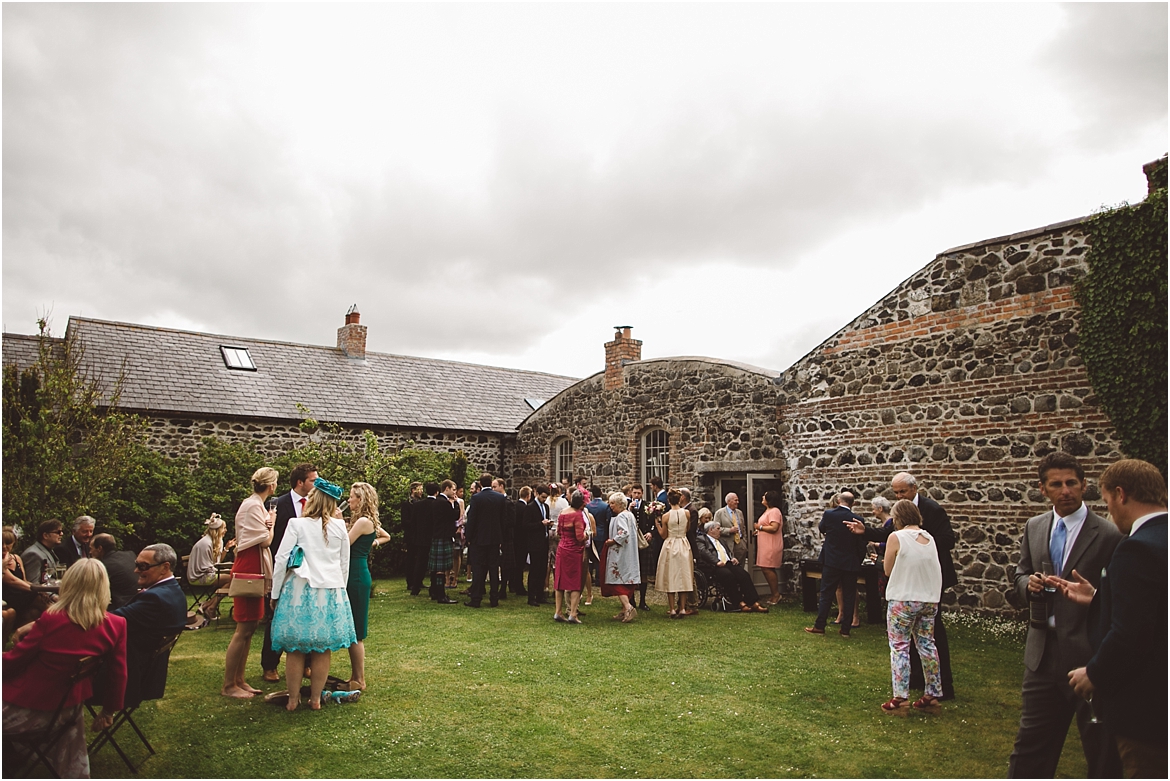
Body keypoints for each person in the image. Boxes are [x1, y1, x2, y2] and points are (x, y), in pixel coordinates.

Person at [1007, 452, 1123, 778]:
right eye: (1056, 484)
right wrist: (1025, 584)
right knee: (1030, 748)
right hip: (1042, 655)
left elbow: (1120, 600)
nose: (1065, 490)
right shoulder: (1035, 527)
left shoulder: (1109, 535)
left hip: (1089, 657)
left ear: (1084, 485)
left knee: (1101, 751)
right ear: (1043, 489)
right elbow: (1019, 574)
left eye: (1072, 482)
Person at [1060, 459, 1167, 779]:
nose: (1109, 512)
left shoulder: (1137, 548)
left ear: (1120, 494)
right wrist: (1098, 598)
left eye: (1106, 502)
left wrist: (1094, 673)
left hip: (1148, 707)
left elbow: (1131, 633)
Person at [3, 559, 127, 779]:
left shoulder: (52, 619)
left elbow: (12, 663)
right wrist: (108, 711)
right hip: (68, 709)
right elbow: (118, 674)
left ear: (69, 584)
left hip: (28, 711)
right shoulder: (116, 624)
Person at [854, 472, 958, 698]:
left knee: (929, 637)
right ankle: (919, 681)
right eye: (896, 492)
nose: (900, 495)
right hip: (913, 583)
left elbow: (948, 540)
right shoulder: (900, 522)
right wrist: (866, 532)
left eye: (903, 491)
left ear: (914, 488)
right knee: (920, 639)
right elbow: (887, 532)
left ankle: (942, 686)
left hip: (927, 579)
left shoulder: (932, 511)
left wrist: (917, 543)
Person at [269, 477, 359, 710]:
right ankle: (316, 699)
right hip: (330, 591)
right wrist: (341, 592)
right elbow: (344, 564)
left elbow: (280, 560)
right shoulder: (340, 527)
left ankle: (292, 700)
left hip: (299, 591)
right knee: (323, 648)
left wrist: (275, 592)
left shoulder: (296, 524)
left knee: (295, 648)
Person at [879, 499, 943, 711]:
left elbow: (888, 570)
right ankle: (933, 692)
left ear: (897, 518)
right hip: (928, 599)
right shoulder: (929, 538)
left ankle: (900, 696)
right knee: (927, 644)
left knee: (899, 646)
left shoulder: (896, 537)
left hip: (904, 598)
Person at [110, 543, 187, 709]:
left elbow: (111, 621)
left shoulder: (155, 599)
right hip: (145, 671)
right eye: (136, 565)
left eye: (142, 566)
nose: (136, 571)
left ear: (164, 567)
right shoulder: (172, 591)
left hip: (123, 676)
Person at [223, 467, 277, 699]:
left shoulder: (256, 505)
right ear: (272, 486)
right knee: (243, 628)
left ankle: (240, 679)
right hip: (249, 567)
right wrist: (272, 522)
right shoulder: (253, 506)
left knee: (251, 626)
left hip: (255, 565)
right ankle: (228, 685)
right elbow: (264, 541)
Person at [260, 462, 317, 682]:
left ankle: (307, 663)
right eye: (312, 480)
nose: (316, 483)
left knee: (309, 617)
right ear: (300, 482)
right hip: (283, 569)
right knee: (276, 617)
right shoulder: (276, 504)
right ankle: (270, 665)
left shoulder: (316, 504)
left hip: (310, 570)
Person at [345, 481, 390, 692]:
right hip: (356, 572)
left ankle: (360, 679)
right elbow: (384, 536)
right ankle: (354, 676)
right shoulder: (364, 520)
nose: (348, 500)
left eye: (351, 496)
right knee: (353, 629)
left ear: (361, 499)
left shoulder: (363, 521)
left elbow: (344, 544)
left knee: (356, 631)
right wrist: (371, 544)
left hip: (356, 575)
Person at [806, 492, 864, 638]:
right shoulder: (858, 519)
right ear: (853, 504)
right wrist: (858, 560)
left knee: (826, 593)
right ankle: (846, 629)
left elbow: (822, 528)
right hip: (850, 562)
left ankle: (820, 625)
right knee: (849, 594)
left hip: (832, 560)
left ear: (838, 501)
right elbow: (861, 544)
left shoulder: (830, 514)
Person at [695, 519, 769, 613]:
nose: (720, 531)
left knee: (743, 574)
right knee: (728, 576)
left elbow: (727, 552)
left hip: (727, 563)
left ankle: (753, 602)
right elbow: (704, 552)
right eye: (718, 529)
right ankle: (738, 602)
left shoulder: (721, 540)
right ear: (711, 530)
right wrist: (716, 561)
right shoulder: (701, 539)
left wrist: (732, 558)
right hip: (713, 566)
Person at [464, 474, 507, 608]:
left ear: (480, 484)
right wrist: (501, 538)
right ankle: (494, 599)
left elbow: (472, 520)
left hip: (479, 539)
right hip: (494, 539)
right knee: (493, 569)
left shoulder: (476, 498)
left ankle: (476, 598)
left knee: (478, 569)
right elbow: (503, 520)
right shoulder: (500, 498)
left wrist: (469, 537)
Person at [655, 489, 695, 619]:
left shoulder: (666, 516)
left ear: (668, 501)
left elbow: (663, 534)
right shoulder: (687, 513)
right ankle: (682, 608)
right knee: (683, 575)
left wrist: (657, 524)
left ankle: (672, 609)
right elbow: (687, 528)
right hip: (683, 543)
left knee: (670, 576)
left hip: (671, 544)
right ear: (679, 499)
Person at [601, 492, 640, 623]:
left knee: (617, 580)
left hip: (620, 552)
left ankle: (628, 607)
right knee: (624, 579)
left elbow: (624, 533)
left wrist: (613, 541)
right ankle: (624, 609)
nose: (610, 505)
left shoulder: (622, 516)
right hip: (629, 551)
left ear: (619, 504)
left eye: (612, 503)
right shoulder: (629, 515)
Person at [187, 514, 235, 619]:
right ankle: (211, 607)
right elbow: (206, 567)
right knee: (233, 579)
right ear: (217, 529)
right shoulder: (205, 543)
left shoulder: (217, 541)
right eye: (224, 528)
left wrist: (226, 548)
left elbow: (217, 562)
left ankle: (208, 604)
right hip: (199, 576)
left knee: (232, 578)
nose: (226, 530)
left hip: (207, 573)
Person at [553, 490, 588, 623]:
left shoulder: (563, 512)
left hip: (562, 549)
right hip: (574, 550)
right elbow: (579, 537)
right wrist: (588, 535)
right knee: (575, 582)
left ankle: (558, 611)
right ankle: (573, 613)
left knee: (560, 581)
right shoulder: (577, 514)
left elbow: (559, 532)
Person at [427, 481, 460, 604]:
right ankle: (441, 595)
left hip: (437, 535)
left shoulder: (436, 501)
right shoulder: (444, 502)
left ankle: (435, 592)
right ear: (447, 488)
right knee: (440, 568)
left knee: (436, 568)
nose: (454, 492)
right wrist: (456, 503)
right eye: (453, 489)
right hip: (443, 536)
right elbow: (454, 516)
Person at [519, 486, 552, 606]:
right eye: (543, 497)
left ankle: (540, 595)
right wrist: (540, 524)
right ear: (537, 494)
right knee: (534, 570)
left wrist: (548, 525)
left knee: (543, 569)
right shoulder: (530, 507)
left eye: (546, 497)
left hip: (544, 541)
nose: (544, 499)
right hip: (534, 543)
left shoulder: (546, 507)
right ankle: (531, 597)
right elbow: (525, 525)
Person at [90, 534, 139, 610]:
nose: (90, 552)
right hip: (137, 601)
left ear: (99, 548)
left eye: (91, 548)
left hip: (119, 607)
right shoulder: (130, 555)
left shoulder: (103, 566)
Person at [2, 527, 39, 625]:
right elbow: (12, 581)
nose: (4, 547)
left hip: (21, 595)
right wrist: (37, 589)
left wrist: (43, 590)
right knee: (38, 596)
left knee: (35, 611)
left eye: (8, 543)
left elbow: (24, 581)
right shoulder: (2, 563)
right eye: (1, 543)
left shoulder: (16, 558)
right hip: (9, 596)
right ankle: (61, 618)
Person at [754, 490, 785, 605]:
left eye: (765, 496)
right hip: (765, 543)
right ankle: (774, 594)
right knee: (765, 568)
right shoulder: (767, 511)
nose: (762, 497)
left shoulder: (775, 511)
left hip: (771, 544)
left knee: (768, 568)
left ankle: (776, 594)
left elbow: (774, 528)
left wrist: (759, 527)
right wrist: (758, 531)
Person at [628, 484, 654, 611]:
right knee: (632, 572)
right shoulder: (628, 506)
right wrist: (630, 509)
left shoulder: (648, 506)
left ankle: (642, 601)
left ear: (642, 493)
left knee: (643, 573)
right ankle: (631, 600)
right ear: (631, 493)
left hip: (644, 542)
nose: (636, 495)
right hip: (631, 544)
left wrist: (651, 533)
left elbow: (654, 522)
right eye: (634, 493)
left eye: (638, 493)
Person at [21, 518, 64, 585]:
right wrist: (52, 596)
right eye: (58, 532)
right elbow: (33, 585)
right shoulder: (33, 554)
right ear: (45, 535)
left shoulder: (50, 550)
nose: (61, 534)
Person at [402, 481, 427, 595]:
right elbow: (404, 521)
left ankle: (418, 580)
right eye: (419, 489)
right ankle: (410, 582)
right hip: (411, 535)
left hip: (420, 534)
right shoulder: (407, 504)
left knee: (420, 559)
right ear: (413, 490)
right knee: (411, 558)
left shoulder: (421, 503)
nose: (421, 491)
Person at [715, 493, 748, 565]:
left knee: (740, 567)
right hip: (727, 544)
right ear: (728, 501)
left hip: (740, 545)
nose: (737, 502)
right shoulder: (719, 513)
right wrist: (729, 530)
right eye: (735, 500)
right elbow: (715, 529)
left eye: (738, 500)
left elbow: (743, 528)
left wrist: (744, 541)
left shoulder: (739, 512)